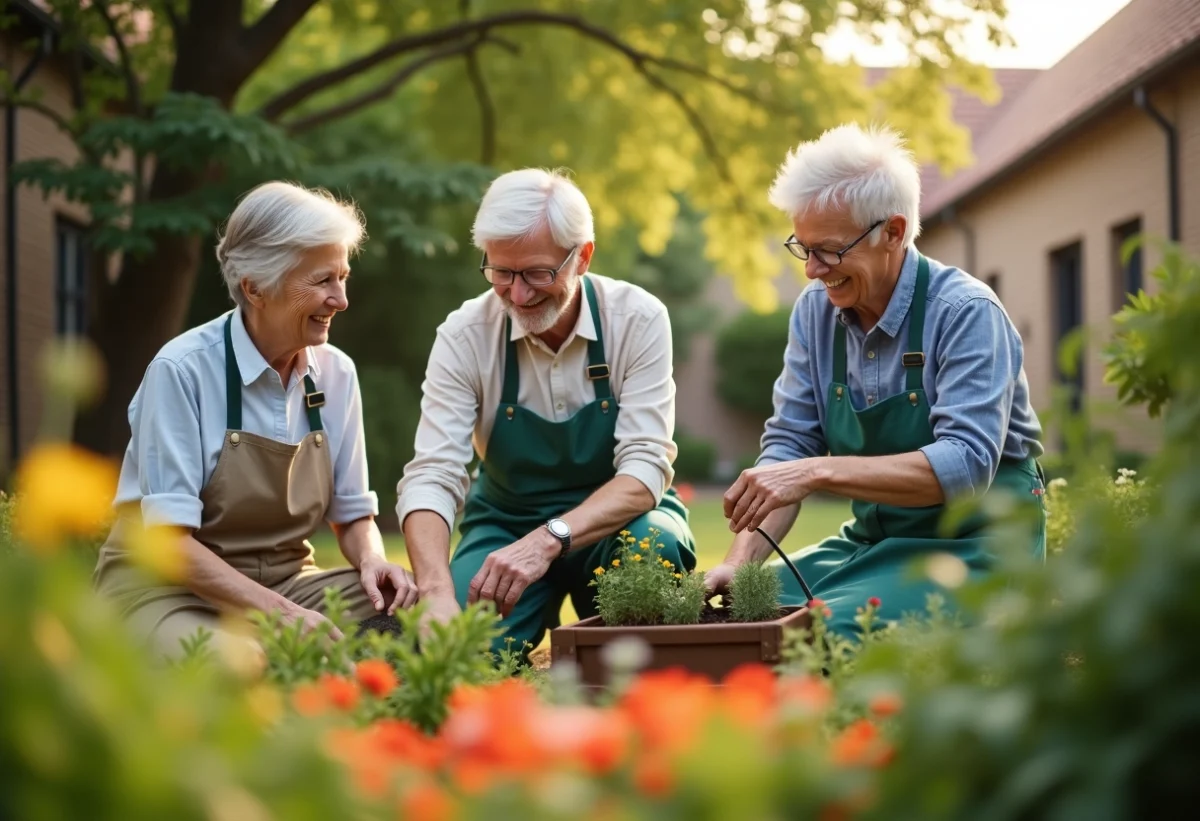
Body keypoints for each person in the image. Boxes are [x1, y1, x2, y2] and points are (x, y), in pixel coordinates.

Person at [709, 123, 1047, 637]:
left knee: (810, 633)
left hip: (975, 550)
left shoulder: (965, 312)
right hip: (872, 544)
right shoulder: (814, 315)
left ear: (892, 231)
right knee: (735, 614)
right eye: (802, 248)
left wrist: (817, 474)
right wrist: (741, 562)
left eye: (828, 250)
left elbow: (966, 464)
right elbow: (790, 448)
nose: (812, 271)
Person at [94, 181, 417, 660]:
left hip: (286, 585)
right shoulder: (182, 371)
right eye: (323, 280)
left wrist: (372, 559)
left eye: (343, 276)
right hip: (166, 590)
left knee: (418, 615)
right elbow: (170, 546)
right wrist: (283, 616)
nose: (341, 299)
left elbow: (352, 515)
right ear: (255, 287)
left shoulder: (336, 372)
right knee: (238, 666)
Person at [396, 168, 697, 656]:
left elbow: (645, 471)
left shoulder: (638, 318)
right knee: (462, 646)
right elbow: (433, 474)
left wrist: (549, 540)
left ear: (583, 256)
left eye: (538, 273)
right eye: (501, 272)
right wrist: (434, 592)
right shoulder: (463, 336)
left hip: (619, 523)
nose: (518, 295)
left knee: (655, 550)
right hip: (505, 524)